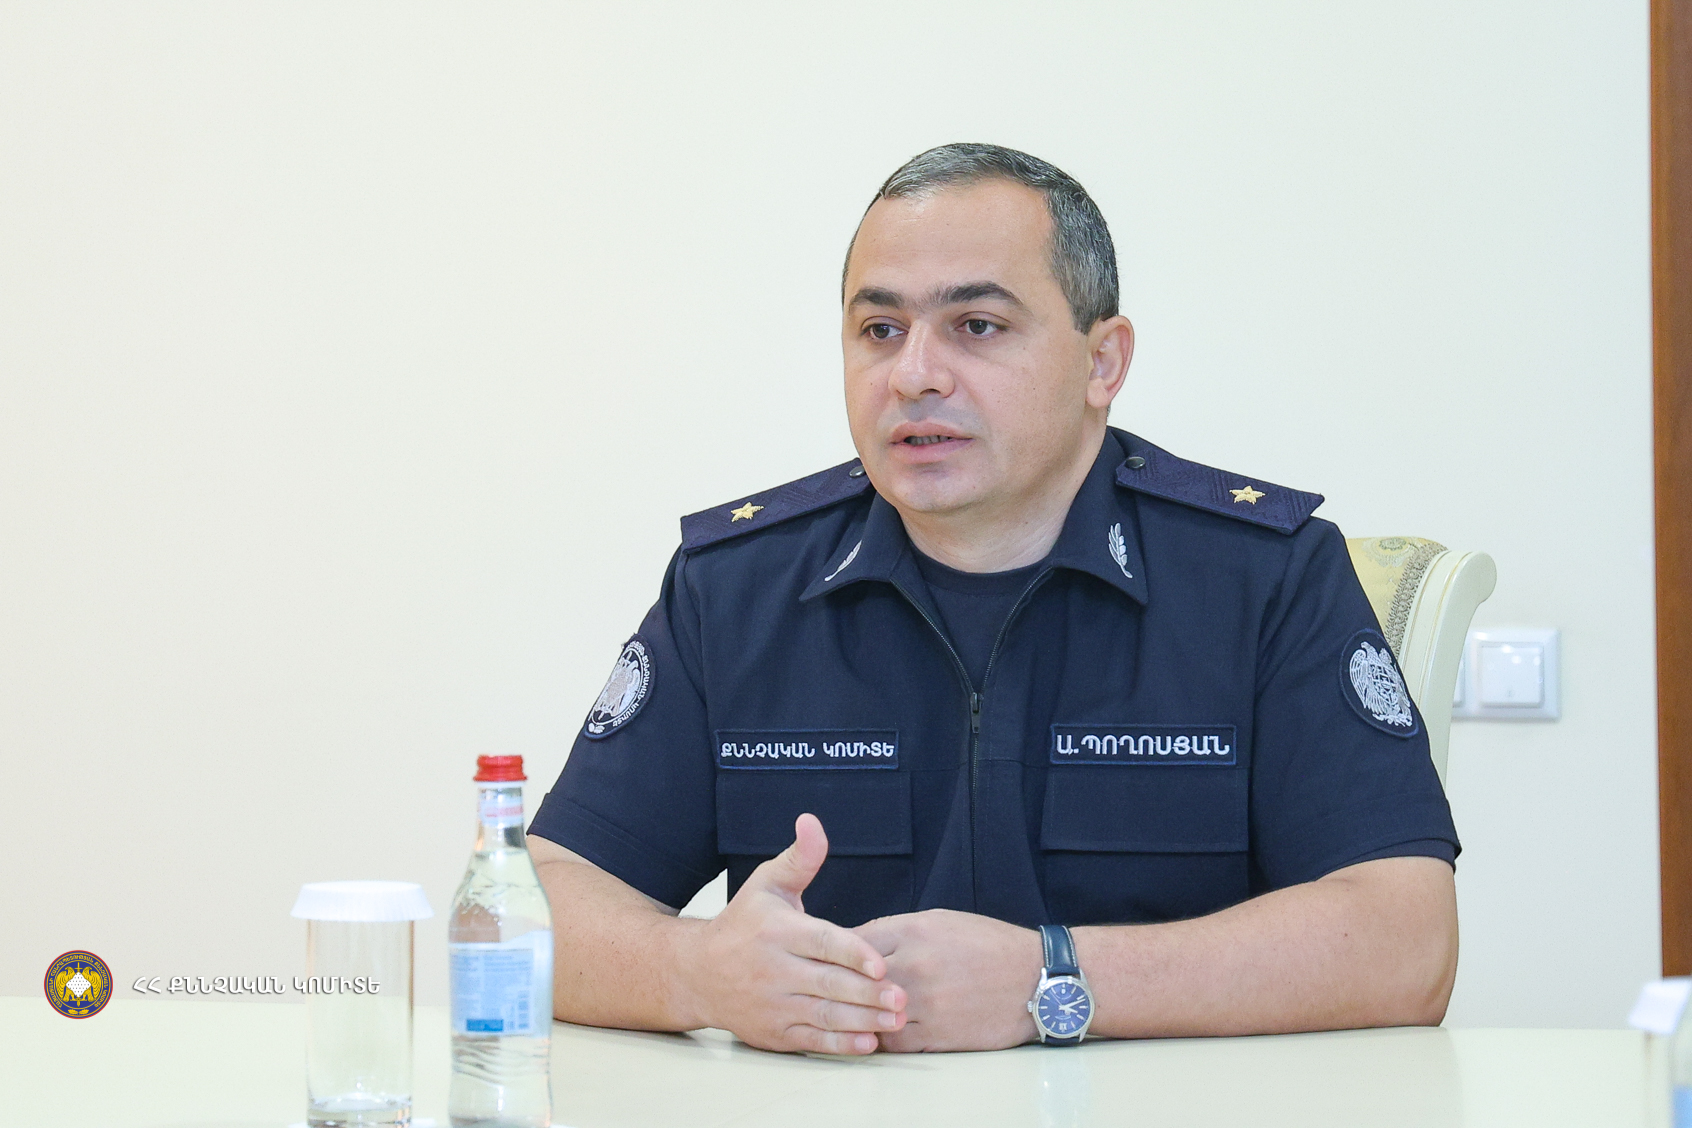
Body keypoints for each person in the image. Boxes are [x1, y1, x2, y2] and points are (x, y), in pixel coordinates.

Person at [526, 143, 1460, 1055]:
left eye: (976, 326)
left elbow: (1407, 941)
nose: (914, 374)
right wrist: (699, 973)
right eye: (879, 330)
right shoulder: (737, 587)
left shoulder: (1262, 576)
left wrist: (1051, 980)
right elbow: (538, 901)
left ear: (1103, 363)